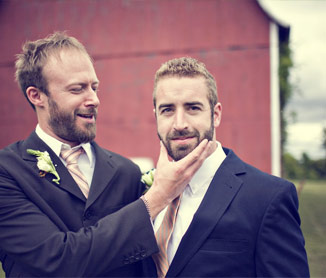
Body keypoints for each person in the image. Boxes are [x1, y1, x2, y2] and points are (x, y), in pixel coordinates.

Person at [0, 33, 213, 277]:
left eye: (94, 87)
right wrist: (156, 198)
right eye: (77, 89)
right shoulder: (7, 173)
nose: (94, 99)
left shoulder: (126, 172)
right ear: (37, 96)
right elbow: (58, 259)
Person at [147, 57, 310, 277]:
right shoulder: (145, 195)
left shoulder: (269, 198)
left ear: (215, 114)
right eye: (167, 110)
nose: (179, 124)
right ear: (156, 115)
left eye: (193, 108)